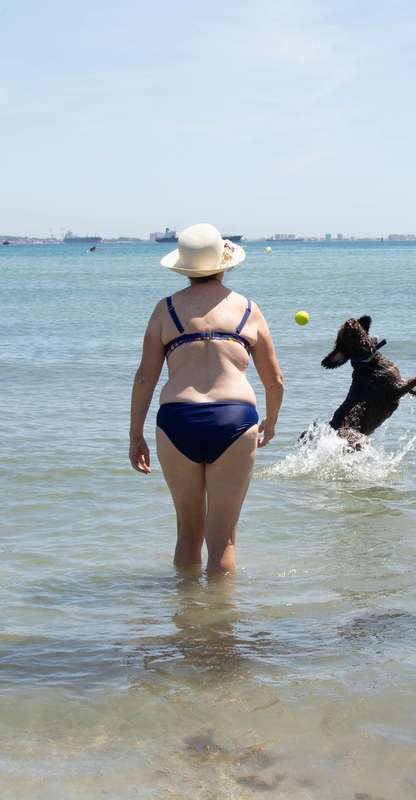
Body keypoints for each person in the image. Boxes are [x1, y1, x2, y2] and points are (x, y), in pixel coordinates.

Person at [129, 224, 284, 575]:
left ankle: (185, 624)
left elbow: (145, 378)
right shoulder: (248, 309)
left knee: (187, 536)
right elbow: (274, 381)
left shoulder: (165, 309)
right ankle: (219, 626)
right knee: (224, 541)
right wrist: (270, 424)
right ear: (224, 263)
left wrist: (135, 435)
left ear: (184, 267)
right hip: (234, 419)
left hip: (176, 421)